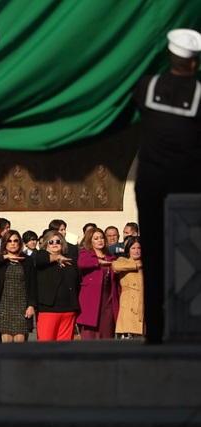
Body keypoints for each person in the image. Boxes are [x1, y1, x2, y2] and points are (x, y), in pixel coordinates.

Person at [134, 28, 201, 343]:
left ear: (170, 58)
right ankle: (189, 322)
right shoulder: (200, 94)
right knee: (190, 254)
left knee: (152, 254)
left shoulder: (147, 86)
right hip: (188, 184)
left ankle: (155, 332)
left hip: (149, 183)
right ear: (194, 64)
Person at [0, 231, 37, 343]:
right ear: (5, 243)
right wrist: (6, 256)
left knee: (20, 339)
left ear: (20, 243)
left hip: (21, 303)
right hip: (4, 304)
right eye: (9, 241)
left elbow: (33, 283)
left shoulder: (27, 260)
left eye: (15, 241)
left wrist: (31, 305)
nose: (13, 243)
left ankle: (19, 361)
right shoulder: (2, 260)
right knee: (6, 339)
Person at [34, 231, 80, 341]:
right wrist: (58, 257)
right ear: (46, 244)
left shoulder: (70, 259)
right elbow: (40, 259)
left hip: (68, 309)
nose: (55, 243)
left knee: (64, 348)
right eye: (51, 242)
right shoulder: (41, 256)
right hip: (49, 309)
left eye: (58, 241)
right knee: (46, 345)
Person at [77, 227, 120, 340]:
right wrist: (98, 262)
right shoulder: (85, 254)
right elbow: (82, 263)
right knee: (89, 336)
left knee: (107, 333)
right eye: (96, 238)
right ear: (90, 241)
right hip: (91, 300)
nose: (100, 240)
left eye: (101, 238)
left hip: (108, 300)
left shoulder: (111, 256)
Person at [112, 237, 144, 338]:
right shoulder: (123, 260)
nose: (136, 251)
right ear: (128, 250)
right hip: (130, 302)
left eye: (139, 248)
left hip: (143, 302)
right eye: (133, 248)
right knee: (129, 336)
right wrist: (136, 265)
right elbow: (115, 266)